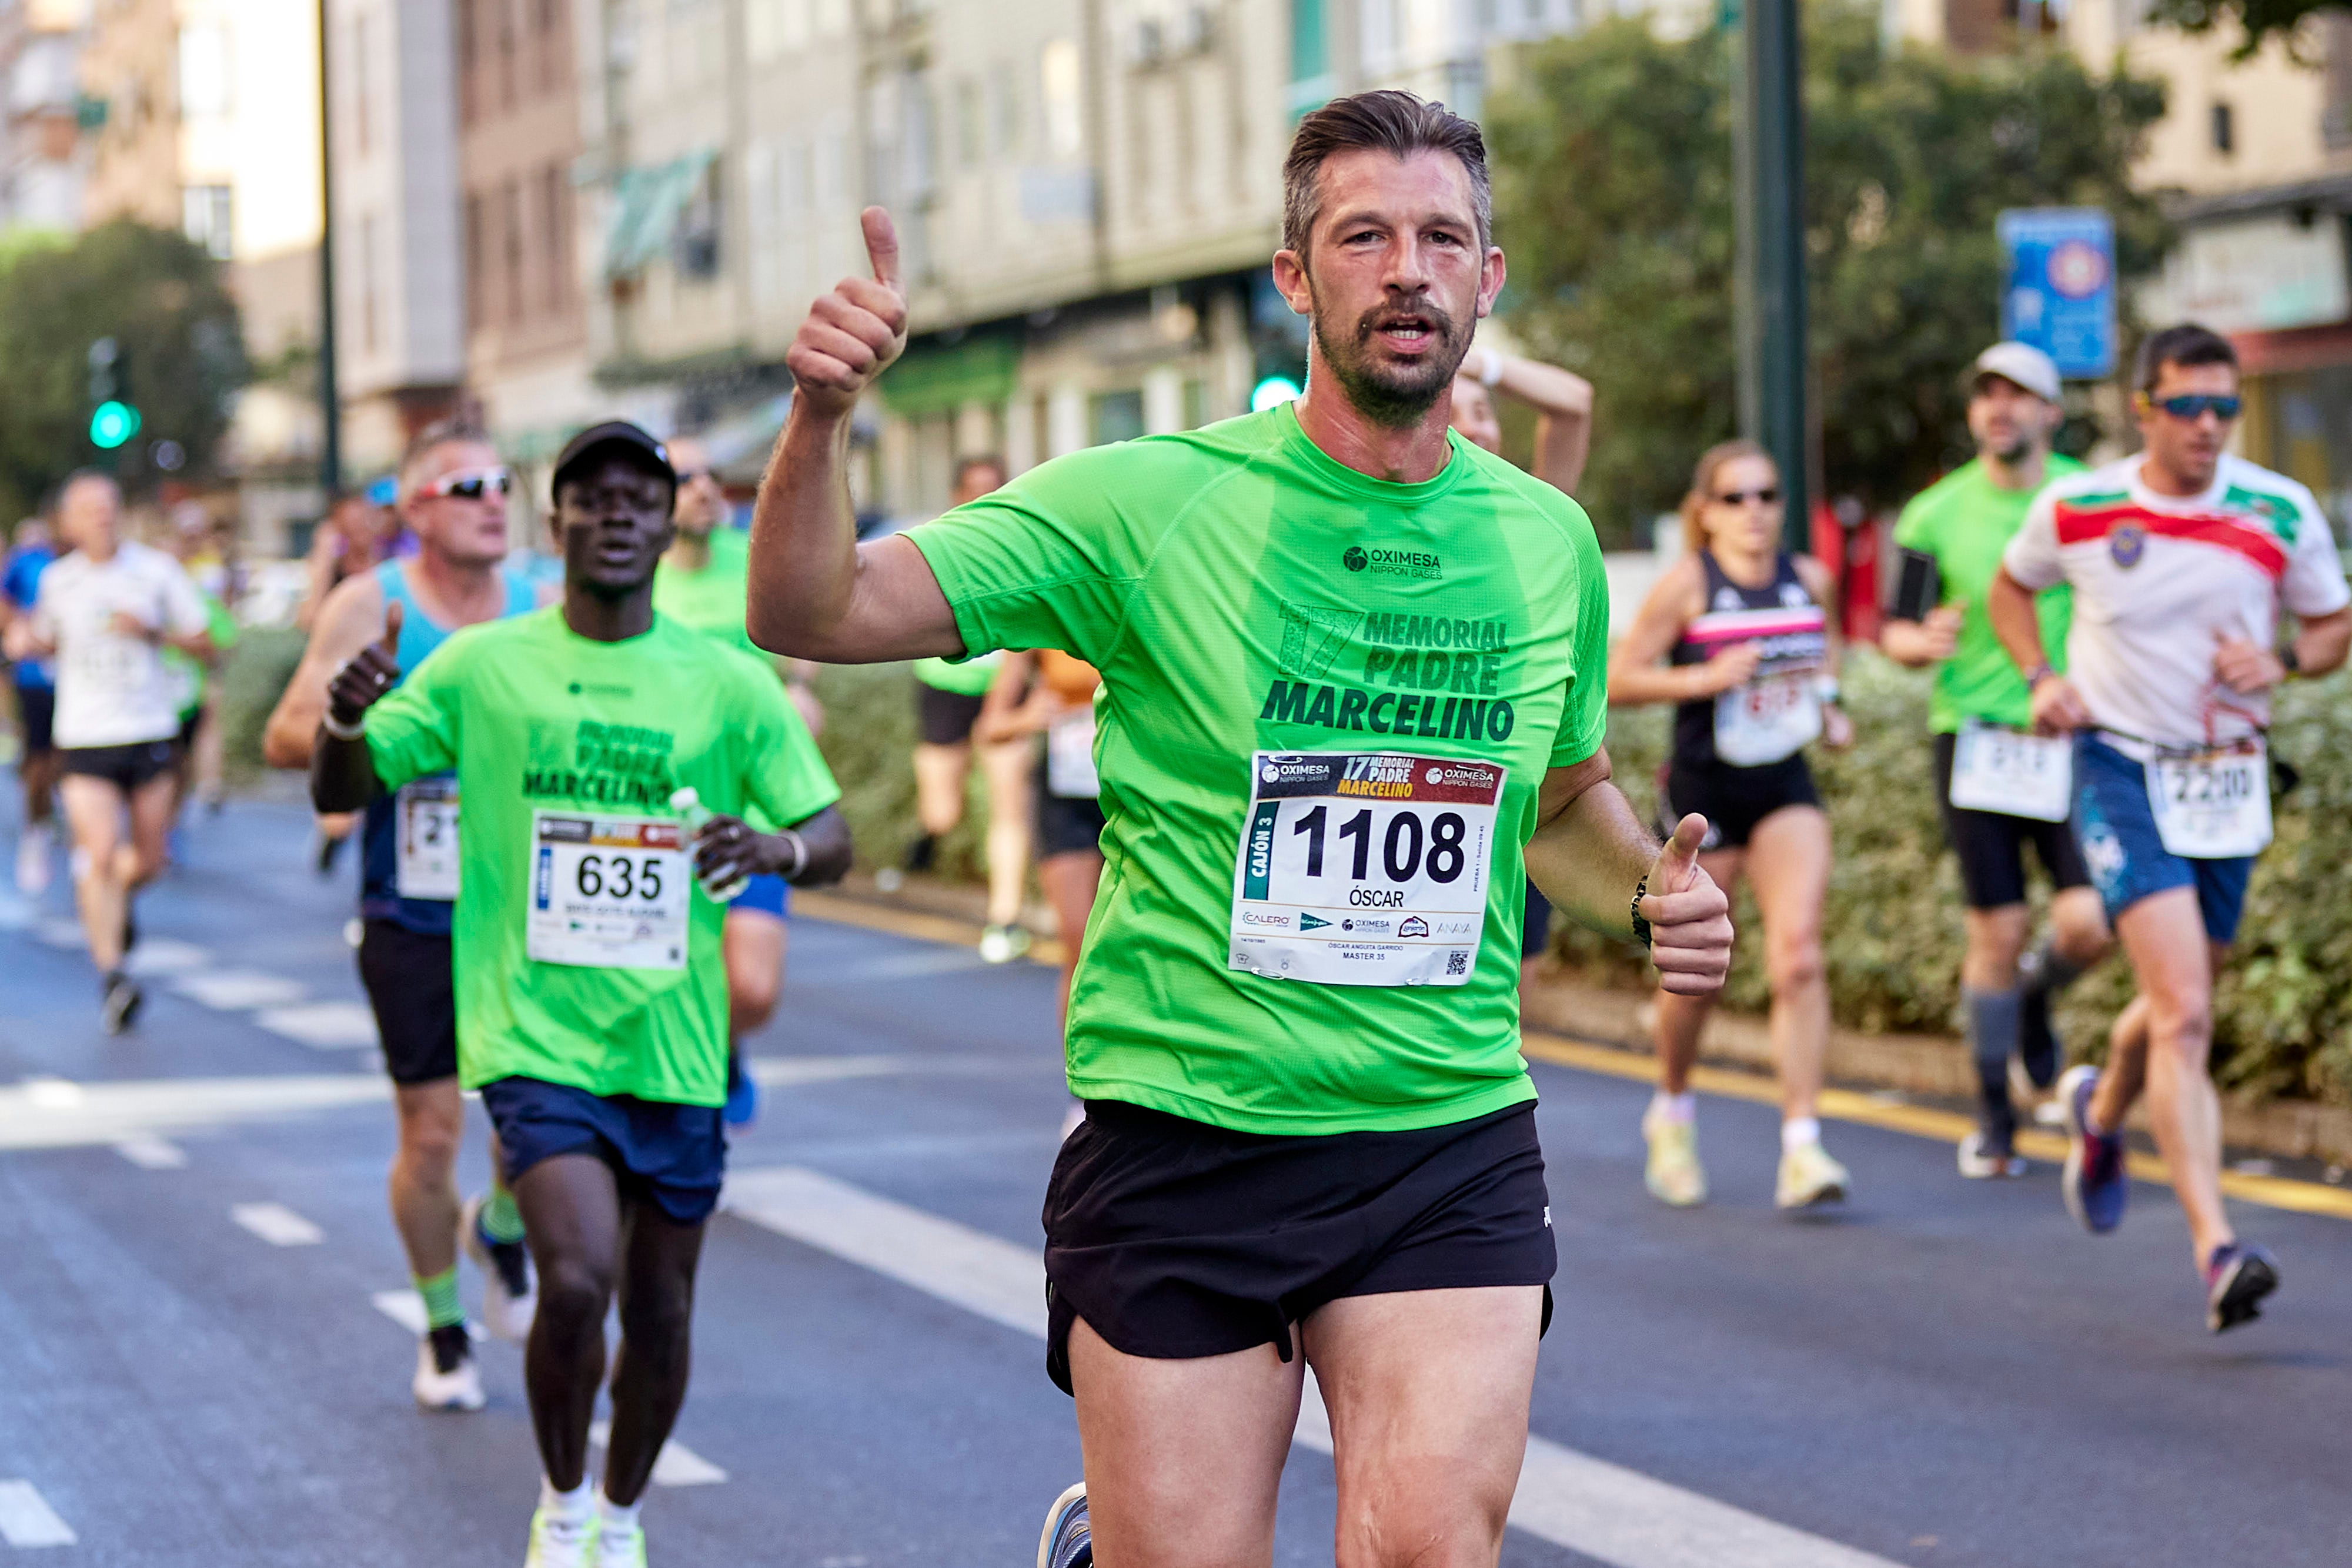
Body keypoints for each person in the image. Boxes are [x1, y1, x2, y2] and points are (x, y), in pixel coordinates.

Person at [746, 91, 1733, 1568]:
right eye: (1363, 237)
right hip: (1183, 1133)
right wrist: (824, 417)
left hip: (1439, 1132)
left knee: (1428, 1547)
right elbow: (812, 609)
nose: (1406, 268)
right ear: (1294, 278)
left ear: (1488, 276)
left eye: (1440, 237)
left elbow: (1563, 792)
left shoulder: (1546, 541)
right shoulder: (1149, 502)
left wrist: (1651, 886)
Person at [312, 420, 851, 1567]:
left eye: (638, 497)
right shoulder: (479, 664)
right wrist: (346, 717)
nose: (616, 513)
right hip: (531, 1032)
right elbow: (352, 778)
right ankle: (560, 1506)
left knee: (657, 1311)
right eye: (590, 496)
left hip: (672, 1041)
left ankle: (618, 1508)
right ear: (553, 524)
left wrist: (769, 852)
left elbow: (830, 830)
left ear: (666, 522)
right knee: (575, 1273)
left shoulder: (724, 680)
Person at [1988, 323, 2351, 1333]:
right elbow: (2012, 589)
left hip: (2229, 781)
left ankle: (2099, 1112)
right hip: (2118, 766)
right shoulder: (2084, 506)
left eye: (2225, 407)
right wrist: (2041, 677)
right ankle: (2218, 1252)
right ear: (2143, 407)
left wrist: (2281, 661)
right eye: (2188, 405)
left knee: (2182, 994)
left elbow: (2331, 624)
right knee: (2185, 1006)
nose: (2209, 425)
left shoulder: (2280, 507)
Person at [265, 419, 547, 1409]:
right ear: (416, 507)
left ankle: (503, 1230)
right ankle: (442, 1328)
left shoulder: (538, 605)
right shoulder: (370, 604)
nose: (491, 500)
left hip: (528, 910)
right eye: (467, 485)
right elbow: (286, 733)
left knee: (537, 1125)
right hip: (413, 905)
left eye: (502, 483)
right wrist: (366, 714)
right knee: (431, 1137)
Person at [1883, 343, 2112, 1178]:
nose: (2000, 409)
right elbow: (1895, 628)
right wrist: (1920, 641)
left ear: (2052, 413)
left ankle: (2037, 996)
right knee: (1998, 930)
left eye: (2020, 396)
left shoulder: (2092, 494)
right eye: (1987, 394)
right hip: (1976, 740)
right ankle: (1994, 1121)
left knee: (2092, 922)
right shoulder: (1934, 513)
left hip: (2074, 736)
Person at [1609, 440, 1853, 1211]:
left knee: (1800, 957)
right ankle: (1673, 1109)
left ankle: (1804, 1145)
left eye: (1767, 495)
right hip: (1701, 799)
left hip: (1785, 786)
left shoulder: (1809, 578)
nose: (1754, 512)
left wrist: (1833, 706)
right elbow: (1616, 677)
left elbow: (1826, 654)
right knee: (1699, 974)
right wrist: (1703, 678)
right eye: (1735, 498)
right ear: (1705, 512)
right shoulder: (1688, 585)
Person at [652, 433, 822, 1126]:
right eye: (682, 476)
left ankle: (720, 1051)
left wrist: (802, 691)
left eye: (709, 476)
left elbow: (802, 643)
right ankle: (677, 1097)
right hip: (656, 817)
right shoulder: (636, 580)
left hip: (747, 814)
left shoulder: (755, 561)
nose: (701, 488)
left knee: (750, 991)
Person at [3, 473, 212, 1031]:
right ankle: (114, 976)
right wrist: (23, 639)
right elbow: (44, 640)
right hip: (85, 735)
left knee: (149, 859)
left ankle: (113, 904)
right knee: (97, 853)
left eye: (108, 507)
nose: (100, 517)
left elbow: (207, 641)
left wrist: (153, 633)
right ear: (67, 523)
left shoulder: (155, 571)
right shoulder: (58, 581)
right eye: (87, 509)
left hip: (149, 728)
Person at [1447, 345, 1595, 977]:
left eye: (1483, 411)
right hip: (1409, 793)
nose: (1477, 428)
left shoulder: (1529, 521)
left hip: (1504, 804)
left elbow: (1574, 404)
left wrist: (1469, 358)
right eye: (1453, 414)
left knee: (1511, 1003)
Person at [897, 454, 1035, 964]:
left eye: (993, 488)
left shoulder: (1025, 550)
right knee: (943, 809)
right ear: (957, 493)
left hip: (1004, 686)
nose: (983, 497)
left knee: (1008, 801)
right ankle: (928, 836)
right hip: (945, 685)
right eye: (973, 488)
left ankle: (1005, 918)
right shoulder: (935, 542)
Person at [977, 647, 1104, 1136]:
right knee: (1078, 945)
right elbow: (991, 726)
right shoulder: (1046, 625)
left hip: (1135, 794)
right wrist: (1029, 715)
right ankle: (1083, 1092)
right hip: (1068, 793)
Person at [3, 517, 59, 895]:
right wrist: (18, 629)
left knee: (61, 757)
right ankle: (35, 826)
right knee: (41, 757)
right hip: (34, 676)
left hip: (71, 681)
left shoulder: (63, 565)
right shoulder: (22, 564)